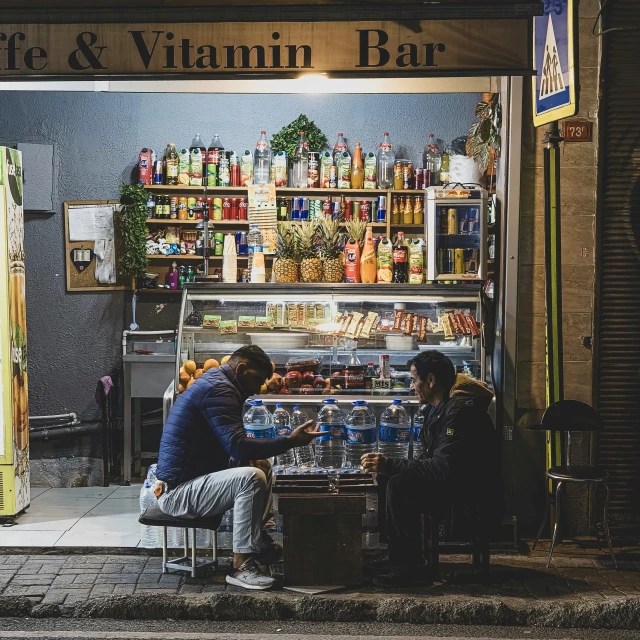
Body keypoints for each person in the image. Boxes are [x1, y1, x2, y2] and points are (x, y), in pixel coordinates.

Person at [155, 345, 320, 590]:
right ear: (242, 369)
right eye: (256, 379)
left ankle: (259, 545)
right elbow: (237, 446)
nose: (257, 388)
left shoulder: (219, 383)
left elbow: (226, 446)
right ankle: (241, 564)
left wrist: (250, 457)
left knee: (262, 466)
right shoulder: (219, 389)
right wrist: (289, 442)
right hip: (177, 493)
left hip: (192, 482)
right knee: (250, 478)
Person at [361, 350, 501, 588]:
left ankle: (410, 570)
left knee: (399, 485)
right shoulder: (440, 407)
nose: (412, 387)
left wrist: (391, 464)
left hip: (469, 497)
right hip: (455, 485)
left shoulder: (459, 412)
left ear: (431, 380)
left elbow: (445, 467)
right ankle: (399, 558)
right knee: (391, 478)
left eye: (415, 380)